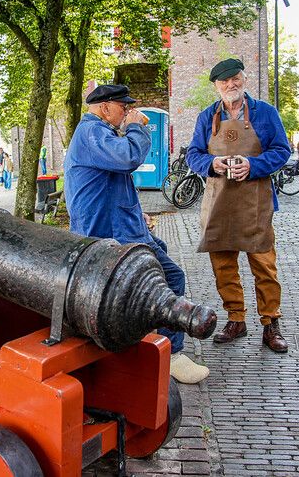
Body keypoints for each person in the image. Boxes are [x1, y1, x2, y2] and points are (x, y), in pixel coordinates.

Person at [65, 84, 209, 384]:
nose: (128, 113)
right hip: (111, 234)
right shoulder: (92, 132)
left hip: (121, 226)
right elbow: (128, 158)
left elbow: (111, 182)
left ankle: (150, 344)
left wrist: (134, 210)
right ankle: (170, 355)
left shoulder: (97, 133)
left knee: (159, 267)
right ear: (105, 107)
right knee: (171, 278)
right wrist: (137, 128)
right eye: (123, 108)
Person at [185, 58, 291, 353]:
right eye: (224, 82)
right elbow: (193, 153)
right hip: (219, 201)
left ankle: (271, 324)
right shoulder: (207, 116)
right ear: (216, 86)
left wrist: (253, 164)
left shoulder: (265, 113)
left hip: (255, 201)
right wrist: (212, 163)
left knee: (264, 266)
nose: (231, 85)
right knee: (223, 266)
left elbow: (282, 150)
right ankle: (236, 319)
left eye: (236, 79)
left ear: (244, 79)